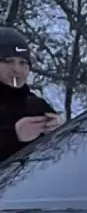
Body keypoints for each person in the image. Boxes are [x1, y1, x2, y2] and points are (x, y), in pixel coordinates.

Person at [0, 26, 63, 167]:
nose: (17, 69)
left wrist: (59, 128)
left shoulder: (36, 105)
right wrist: (13, 136)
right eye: (8, 61)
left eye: (23, 62)